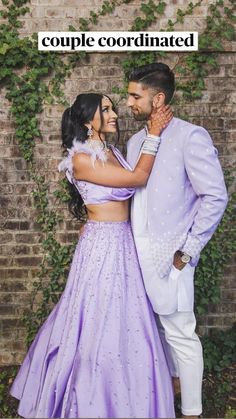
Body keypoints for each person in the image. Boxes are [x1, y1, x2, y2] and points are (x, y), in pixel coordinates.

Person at [10, 93, 175, 418]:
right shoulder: (80, 159)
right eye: (106, 109)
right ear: (88, 120)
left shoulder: (112, 151)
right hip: (102, 249)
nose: (114, 114)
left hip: (124, 243)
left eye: (113, 108)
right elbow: (137, 179)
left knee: (129, 322)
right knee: (100, 321)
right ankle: (89, 401)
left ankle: (129, 399)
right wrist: (154, 133)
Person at [126, 62, 228, 418]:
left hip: (172, 257)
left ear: (158, 99)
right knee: (153, 333)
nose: (129, 103)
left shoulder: (190, 136)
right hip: (136, 257)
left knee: (181, 334)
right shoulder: (136, 141)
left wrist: (188, 251)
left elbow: (215, 196)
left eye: (135, 96)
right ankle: (165, 398)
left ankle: (193, 411)